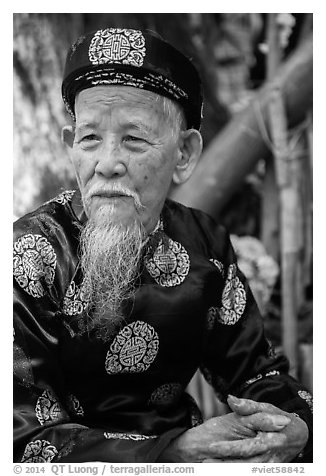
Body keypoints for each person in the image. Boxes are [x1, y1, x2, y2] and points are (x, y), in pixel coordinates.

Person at [13, 27, 313, 463]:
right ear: (69, 148)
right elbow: (20, 437)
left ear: (185, 154)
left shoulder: (204, 244)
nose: (108, 163)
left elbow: (257, 373)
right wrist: (173, 451)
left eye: (133, 139)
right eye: (90, 138)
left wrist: (290, 424)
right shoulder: (28, 255)